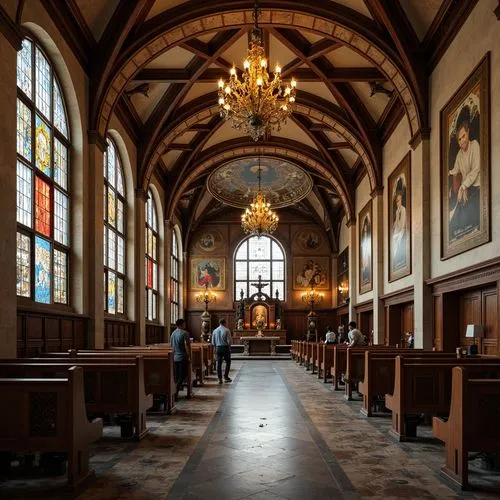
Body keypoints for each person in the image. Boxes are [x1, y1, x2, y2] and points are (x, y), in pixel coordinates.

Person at [448, 113, 480, 240]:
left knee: (468, 213)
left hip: (476, 187)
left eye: (464, 136)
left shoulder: (475, 145)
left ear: (468, 133)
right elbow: (456, 169)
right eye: (459, 139)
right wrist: (449, 172)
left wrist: (463, 186)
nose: (462, 141)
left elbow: (476, 169)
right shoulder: (459, 155)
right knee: (454, 221)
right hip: (466, 188)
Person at [170, 318, 191, 401]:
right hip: (182, 357)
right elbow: (187, 346)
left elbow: (171, 345)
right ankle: (175, 393)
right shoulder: (185, 333)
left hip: (175, 357)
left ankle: (175, 392)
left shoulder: (173, 333)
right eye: (184, 324)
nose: (185, 325)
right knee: (182, 376)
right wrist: (189, 357)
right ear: (181, 324)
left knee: (177, 376)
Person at [212, 318, 232, 384]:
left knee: (219, 363)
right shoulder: (227, 330)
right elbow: (229, 341)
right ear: (225, 323)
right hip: (225, 347)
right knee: (228, 362)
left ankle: (219, 379)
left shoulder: (215, 331)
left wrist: (215, 348)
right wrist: (229, 347)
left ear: (219, 323)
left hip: (218, 348)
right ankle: (226, 377)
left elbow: (213, 342)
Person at [392, 190, 407, 269]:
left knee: (398, 240)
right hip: (397, 231)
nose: (398, 202)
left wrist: (400, 230)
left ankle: (399, 259)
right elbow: (396, 222)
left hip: (401, 230)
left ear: (401, 200)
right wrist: (394, 226)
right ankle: (397, 260)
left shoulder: (403, 209)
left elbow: (403, 222)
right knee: (394, 242)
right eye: (397, 201)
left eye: (399, 200)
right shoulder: (397, 211)